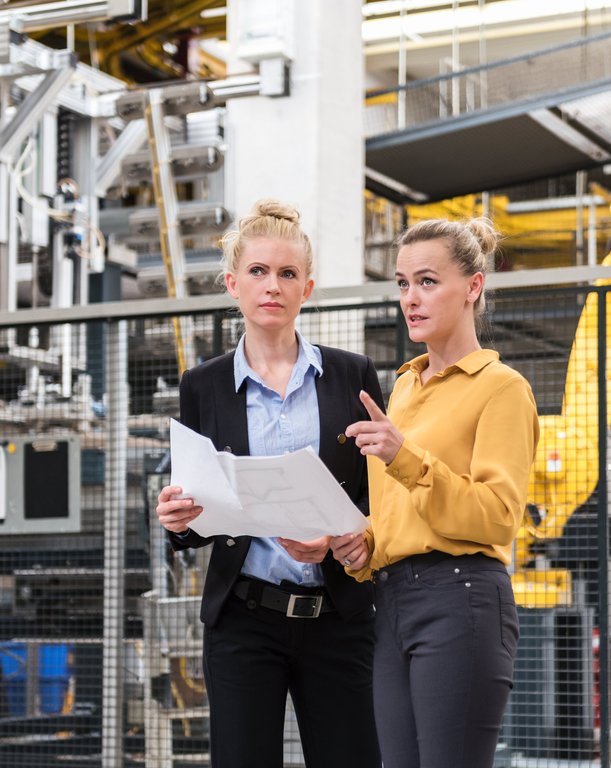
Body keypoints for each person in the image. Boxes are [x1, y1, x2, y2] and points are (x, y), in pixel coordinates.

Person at [155, 199, 382, 768]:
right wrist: (178, 520)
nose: (272, 285)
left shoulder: (353, 375)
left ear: (307, 288)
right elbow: (197, 511)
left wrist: (345, 536)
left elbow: (377, 489)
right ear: (233, 283)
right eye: (258, 271)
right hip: (243, 621)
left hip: (338, 616)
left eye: (287, 273)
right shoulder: (202, 386)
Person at [331, 217, 540, 768]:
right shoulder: (400, 388)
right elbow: (401, 517)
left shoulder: (502, 389)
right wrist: (361, 547)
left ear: (473, 287)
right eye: (402, 283)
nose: (410, 298)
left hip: (462, 598)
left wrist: (405, 457)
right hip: (392, 600)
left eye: (427, 281)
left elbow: (496, 517)